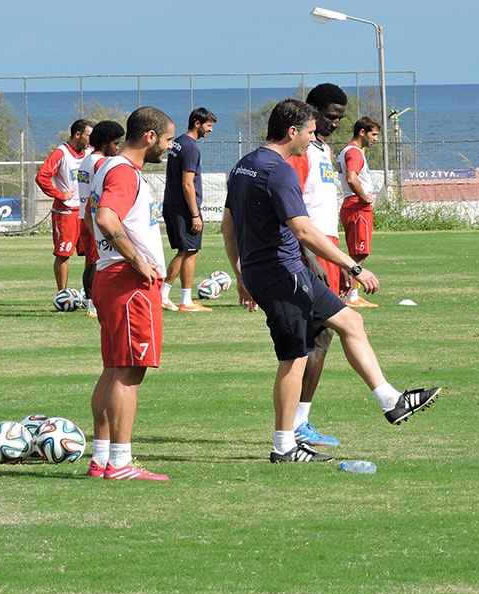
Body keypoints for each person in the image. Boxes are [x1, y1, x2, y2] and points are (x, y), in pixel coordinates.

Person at [222, 99, 441, 464]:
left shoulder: (243, 165)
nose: (313, 138)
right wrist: (354, 269)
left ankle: (390, 400)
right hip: (284, 274)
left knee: (350, 322)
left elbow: (228, 226)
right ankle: (284, 446)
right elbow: (304, 230)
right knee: (293, 357)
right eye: (309, 131)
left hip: (270, 273)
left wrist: (241, 274)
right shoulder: (279, 170)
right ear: (292, 131)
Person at [85, 107, 174, 481]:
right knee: (130, 371)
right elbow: (106, 217)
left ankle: (101, 458)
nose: (169, 147)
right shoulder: (123, 171)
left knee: (113, 368)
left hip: (109, 276)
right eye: (168, 139)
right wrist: (138, 261)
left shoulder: (105, 167)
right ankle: (120, 463)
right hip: (128, 282)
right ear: (150, 136)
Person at [286, 83, 348, 447]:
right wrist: (310, 255)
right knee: (311, 335)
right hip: (309, 250)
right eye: (329, 117)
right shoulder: (301, 152)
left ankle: (301, 421)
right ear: (312, 112)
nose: (336, 124)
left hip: (328, 247)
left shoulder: (323, 148)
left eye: (340, 118)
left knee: (322, 335)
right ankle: (294, 425)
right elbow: (291, 209)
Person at [160, 107, 217, 313]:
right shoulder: (191, 148)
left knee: (185, 251)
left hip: (171, 204)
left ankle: (181, 298)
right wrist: (195, 214)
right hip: (184, 208)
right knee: (189, 251)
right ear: (197, 123)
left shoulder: (176, 143)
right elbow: (187, 183)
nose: (210, 130)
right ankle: (169, 296)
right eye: (209, 126)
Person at [35, 119, 94, 294]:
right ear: (78, 135)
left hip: (86, 211)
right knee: (63, 254)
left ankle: (89, 294)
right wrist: (60, 195)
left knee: (91, 254)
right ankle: (62, 294)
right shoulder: (61, 153)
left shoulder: (90, 153)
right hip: (66, 212)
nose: (92, 139)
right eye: (89, 135)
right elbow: (42, 176)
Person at [76, 120, 125, 318]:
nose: (117, 148)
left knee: (91, 263)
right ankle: (96, 305)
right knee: (100, 263)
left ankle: (90, 303)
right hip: (95, 218)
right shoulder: (101, 163)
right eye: (115, 143)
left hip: (83, 216)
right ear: (105, 143)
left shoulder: (86, 160)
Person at [338, 116, 382, 308]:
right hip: (357, 206)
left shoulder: (351, 151)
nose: (376, 139)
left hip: (355, 205)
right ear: (362, 132)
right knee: (358, 252)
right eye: (374, 134)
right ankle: (351, 295)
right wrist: (364, 196)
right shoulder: (354, 152)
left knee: (360, 251)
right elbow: (351, 177)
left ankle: (351, 292)